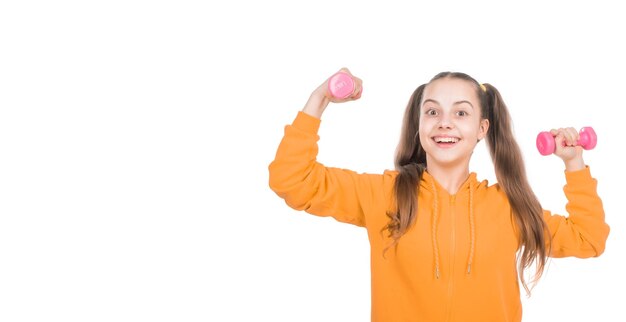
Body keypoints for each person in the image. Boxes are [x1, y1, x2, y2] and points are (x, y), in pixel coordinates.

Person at [268, 68, 609, 322]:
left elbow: (588, 239)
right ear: (420, 126)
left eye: (461, 112)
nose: (444, 122)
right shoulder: (383, 195)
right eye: (432, 112)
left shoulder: (506, 208)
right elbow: (291, 179)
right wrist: (320, 100)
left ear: (481, 129)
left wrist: (574, 164)